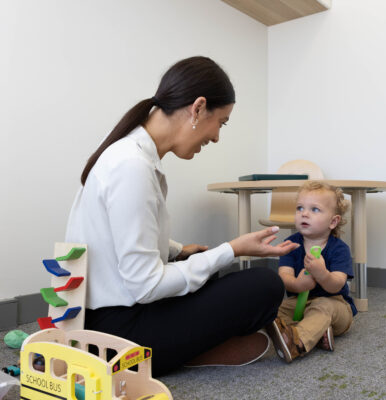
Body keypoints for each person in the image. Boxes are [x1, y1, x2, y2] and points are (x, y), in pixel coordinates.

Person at [65, 56, 298, 377]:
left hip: (110, 313)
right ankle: (186, 352)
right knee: (265, 284)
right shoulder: (132, 167)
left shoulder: (128, 153)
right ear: (198, 108)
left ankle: (190, 346)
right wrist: (232, 249)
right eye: (222, 122)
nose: (216, 136)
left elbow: (120, 232)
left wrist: (179, 250)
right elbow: (145, 286)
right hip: (119, 334)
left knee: (207, 269)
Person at [266, 181, 357, 363]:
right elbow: (284, 277)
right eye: (300, 208)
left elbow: (337, 285)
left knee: (322, 307)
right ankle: (317, 333)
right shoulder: (291, 243)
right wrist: (297, 285)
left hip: (335, 305)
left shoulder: (339, 249)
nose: (304, 213)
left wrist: (322, 273)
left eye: (314, 209)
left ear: (333, 221)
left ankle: (297, 342)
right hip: (298, 302)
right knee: (275, 310)